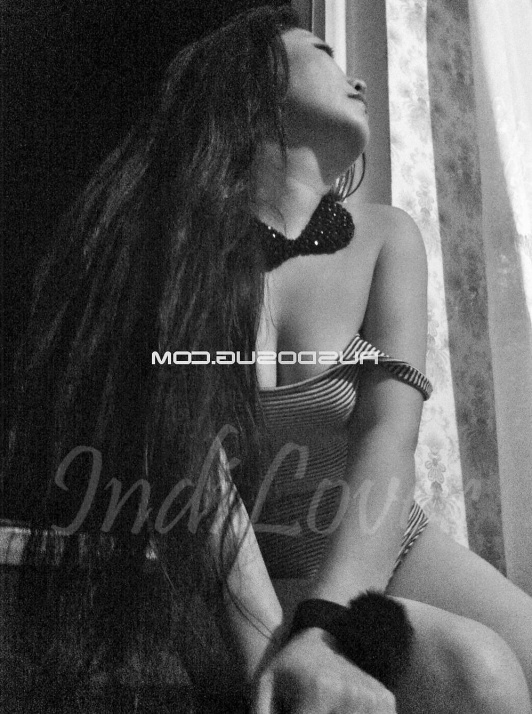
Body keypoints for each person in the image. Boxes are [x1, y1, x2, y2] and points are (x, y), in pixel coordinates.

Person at [3, 5, 532, 713]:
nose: (358, 82)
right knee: (478, 672)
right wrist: (272, 660)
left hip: (381, 546)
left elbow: (388, 438)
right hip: (243, 576)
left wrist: (326, 623)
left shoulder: (386, 236)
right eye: (322, 52)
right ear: (252, 83)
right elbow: (194, 471)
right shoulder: (181, 251)